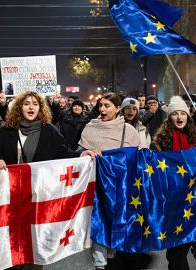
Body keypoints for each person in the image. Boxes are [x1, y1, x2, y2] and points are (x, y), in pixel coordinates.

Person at [0, 91, 84, 270]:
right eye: (27, 103)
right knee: (13, 233)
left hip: (38, 194)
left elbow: (62, 153)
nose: (31, 107)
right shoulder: (6, 130)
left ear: (41, 108)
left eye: (35, 104)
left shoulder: (49, 131)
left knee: (35, 235)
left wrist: (81, 154)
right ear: (19, 107)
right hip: (11, 193)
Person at [78, 92, 141, 270]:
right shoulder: (90, 128)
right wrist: (86, 153)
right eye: (101, 105)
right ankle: (100, 263)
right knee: (98, 220)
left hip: (120, 185)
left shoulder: (128, 130)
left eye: (107, 106)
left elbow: (138, 156)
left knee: (116, 219)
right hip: (95, 183)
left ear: (117, 109)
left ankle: (114, 255)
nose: (103, 109)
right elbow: (79, 151)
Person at [151, 96, 196, 270]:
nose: (179, 118)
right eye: (175, 114)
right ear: (169, 118)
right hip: (171, 203)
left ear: (188, 116)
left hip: (194, 203)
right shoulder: (158, 143)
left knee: (189, 248)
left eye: (183, 113)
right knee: (176, 252)